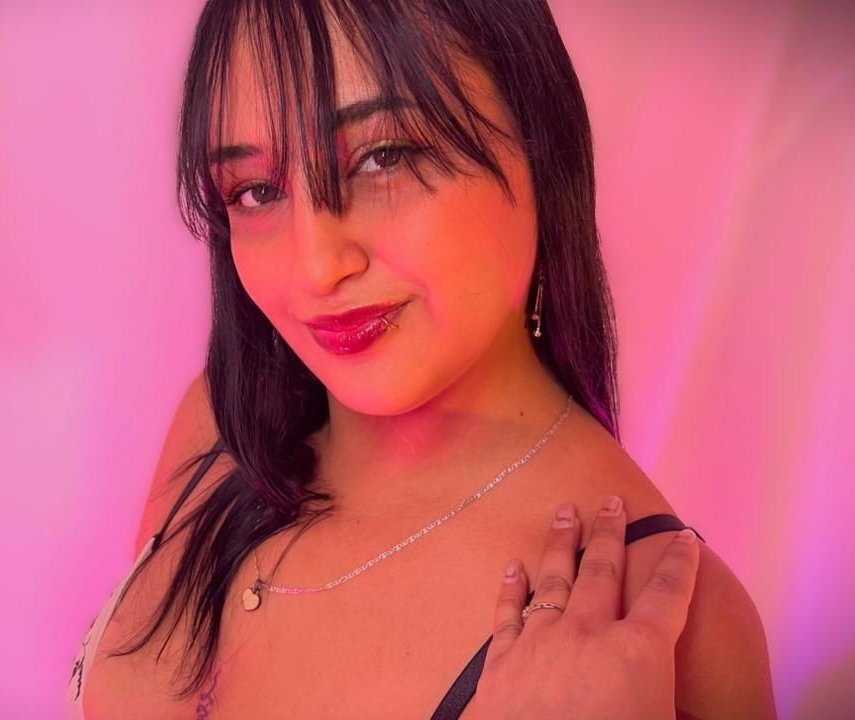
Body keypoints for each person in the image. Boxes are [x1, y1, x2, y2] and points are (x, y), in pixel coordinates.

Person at [69, 0, 775, 717]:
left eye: (384, 157)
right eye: (257, 191)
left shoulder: (669, 619)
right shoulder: (220, 426)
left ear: (539, 141)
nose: (316, 267)